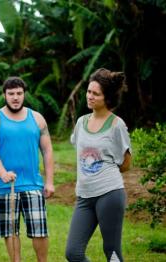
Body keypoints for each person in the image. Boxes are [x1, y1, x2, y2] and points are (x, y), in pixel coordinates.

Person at [0, 76, 55, 262]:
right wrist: (3, 173)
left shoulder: (37, 119)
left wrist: (49, 181)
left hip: (32, 184)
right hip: (4, 186)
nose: (15, 97)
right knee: (11, 232)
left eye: (19, 93)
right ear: (4, 95)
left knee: (39, 231)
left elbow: (47, 150)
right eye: (11, 93)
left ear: (24, 94)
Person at [65, 68, 132, 262]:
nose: (90, 96)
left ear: (107, 98)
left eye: (96, 94)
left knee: (111, 253)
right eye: (88, 91)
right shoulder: (80, 122)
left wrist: (105, 171)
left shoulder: (116, 125)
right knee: (73, 253)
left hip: (109, 194)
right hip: (84, 196)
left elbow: (126, 163)